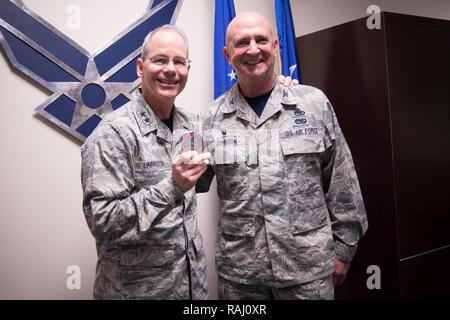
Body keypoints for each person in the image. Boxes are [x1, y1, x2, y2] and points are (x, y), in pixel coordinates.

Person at [196, 12, 368, 300]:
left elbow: (342, 183)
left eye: (261, 40)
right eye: (242, 43)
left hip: (308, 274)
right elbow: (191, 184)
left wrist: (343, 250)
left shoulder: (313, 105)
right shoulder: (209, 119)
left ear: (276, 46)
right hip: (241, 280)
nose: (253, 49)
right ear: (227, 55)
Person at [81, 25, 210, 299]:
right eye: (160, 60)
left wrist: (279, 88)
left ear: (188, 68)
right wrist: (171, 187)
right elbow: (104, 224)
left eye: (179, 62)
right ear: (141, 68)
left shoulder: (192, 124)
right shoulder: (113, 133)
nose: (171, 69)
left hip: (191, 288)